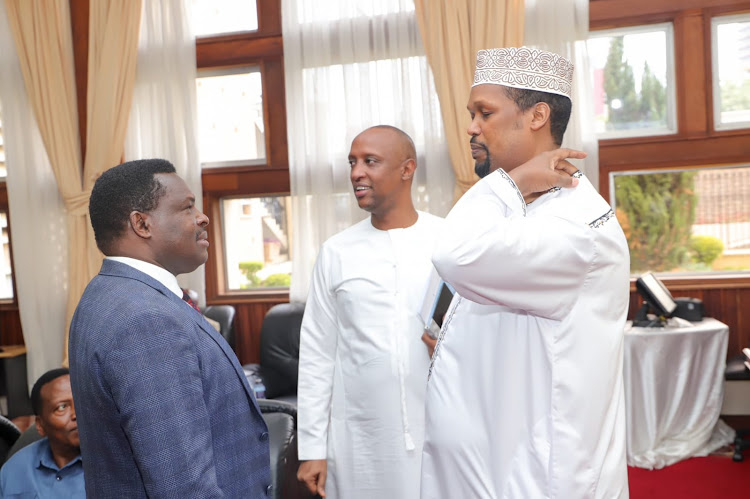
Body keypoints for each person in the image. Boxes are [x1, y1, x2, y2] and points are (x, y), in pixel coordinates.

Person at [420, 47, 631, 498]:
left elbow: (456, 256)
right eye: (471, 113)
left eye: (485, 112)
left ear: (537, 116)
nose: (472, 127)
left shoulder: (574, 226)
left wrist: (510, 182)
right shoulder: (520, 208)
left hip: (535, 473)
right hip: (490, 456)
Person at [68, 159, 272, 498]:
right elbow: (183, 486)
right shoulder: (145, 319)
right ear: (142, 224)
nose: (203, 217)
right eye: (187, 207)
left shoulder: (107, 293)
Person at [296, 125, 444, 499]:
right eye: (352, 162)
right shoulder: (337, 251)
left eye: (370, 161)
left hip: (442, 430)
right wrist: (313, 449)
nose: (356, 173)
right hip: (360, 442)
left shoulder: (449, 241)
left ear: (407, 169)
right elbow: (316, 355)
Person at [0, 368, 84, 498]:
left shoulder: (113, 463)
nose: (76, 414)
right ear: (40, 425)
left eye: (81, 403)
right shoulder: (14, 470)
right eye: (62, 407)